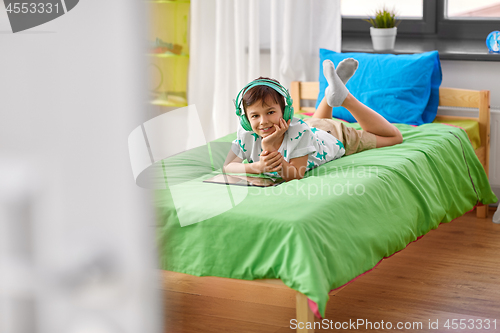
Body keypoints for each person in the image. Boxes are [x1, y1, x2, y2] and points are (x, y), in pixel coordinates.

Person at [223, 59, 403, 182]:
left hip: (335, 136)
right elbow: (228, 166)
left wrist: (269, 147)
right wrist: (257, 167)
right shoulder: (245, 133)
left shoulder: (298, 131)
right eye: (255, 116)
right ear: (246, 119)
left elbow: (295, 175)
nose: (263, 121)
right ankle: (333, 90)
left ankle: (346, 99)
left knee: (394, 137)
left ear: (286, 112)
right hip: (314, 128)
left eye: (270, 112)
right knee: (318, 122)